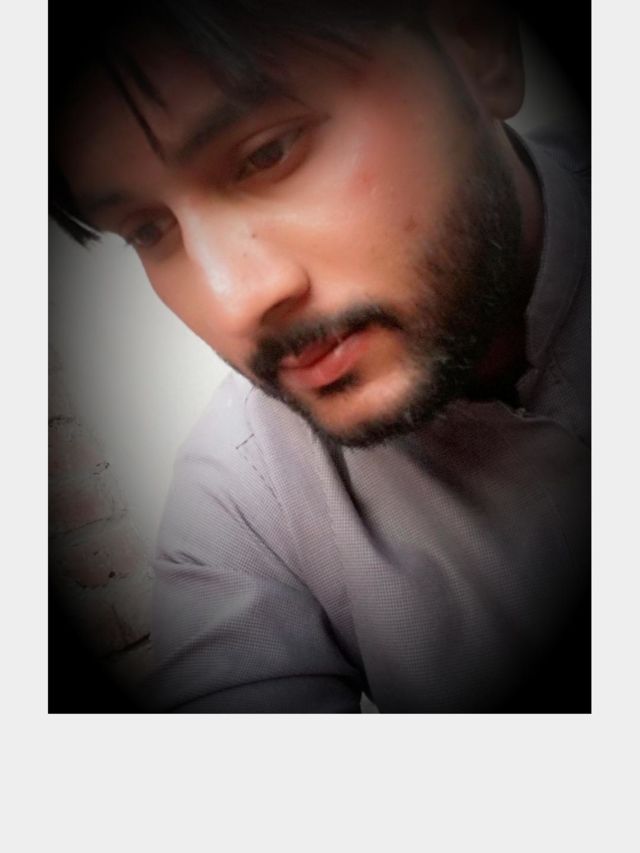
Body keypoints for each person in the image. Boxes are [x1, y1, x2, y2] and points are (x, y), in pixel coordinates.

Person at [51, 0, 590, 712]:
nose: (234, 304)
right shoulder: (241, 502)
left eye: (268, 152)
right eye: (149, 230)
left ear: (475, 43)